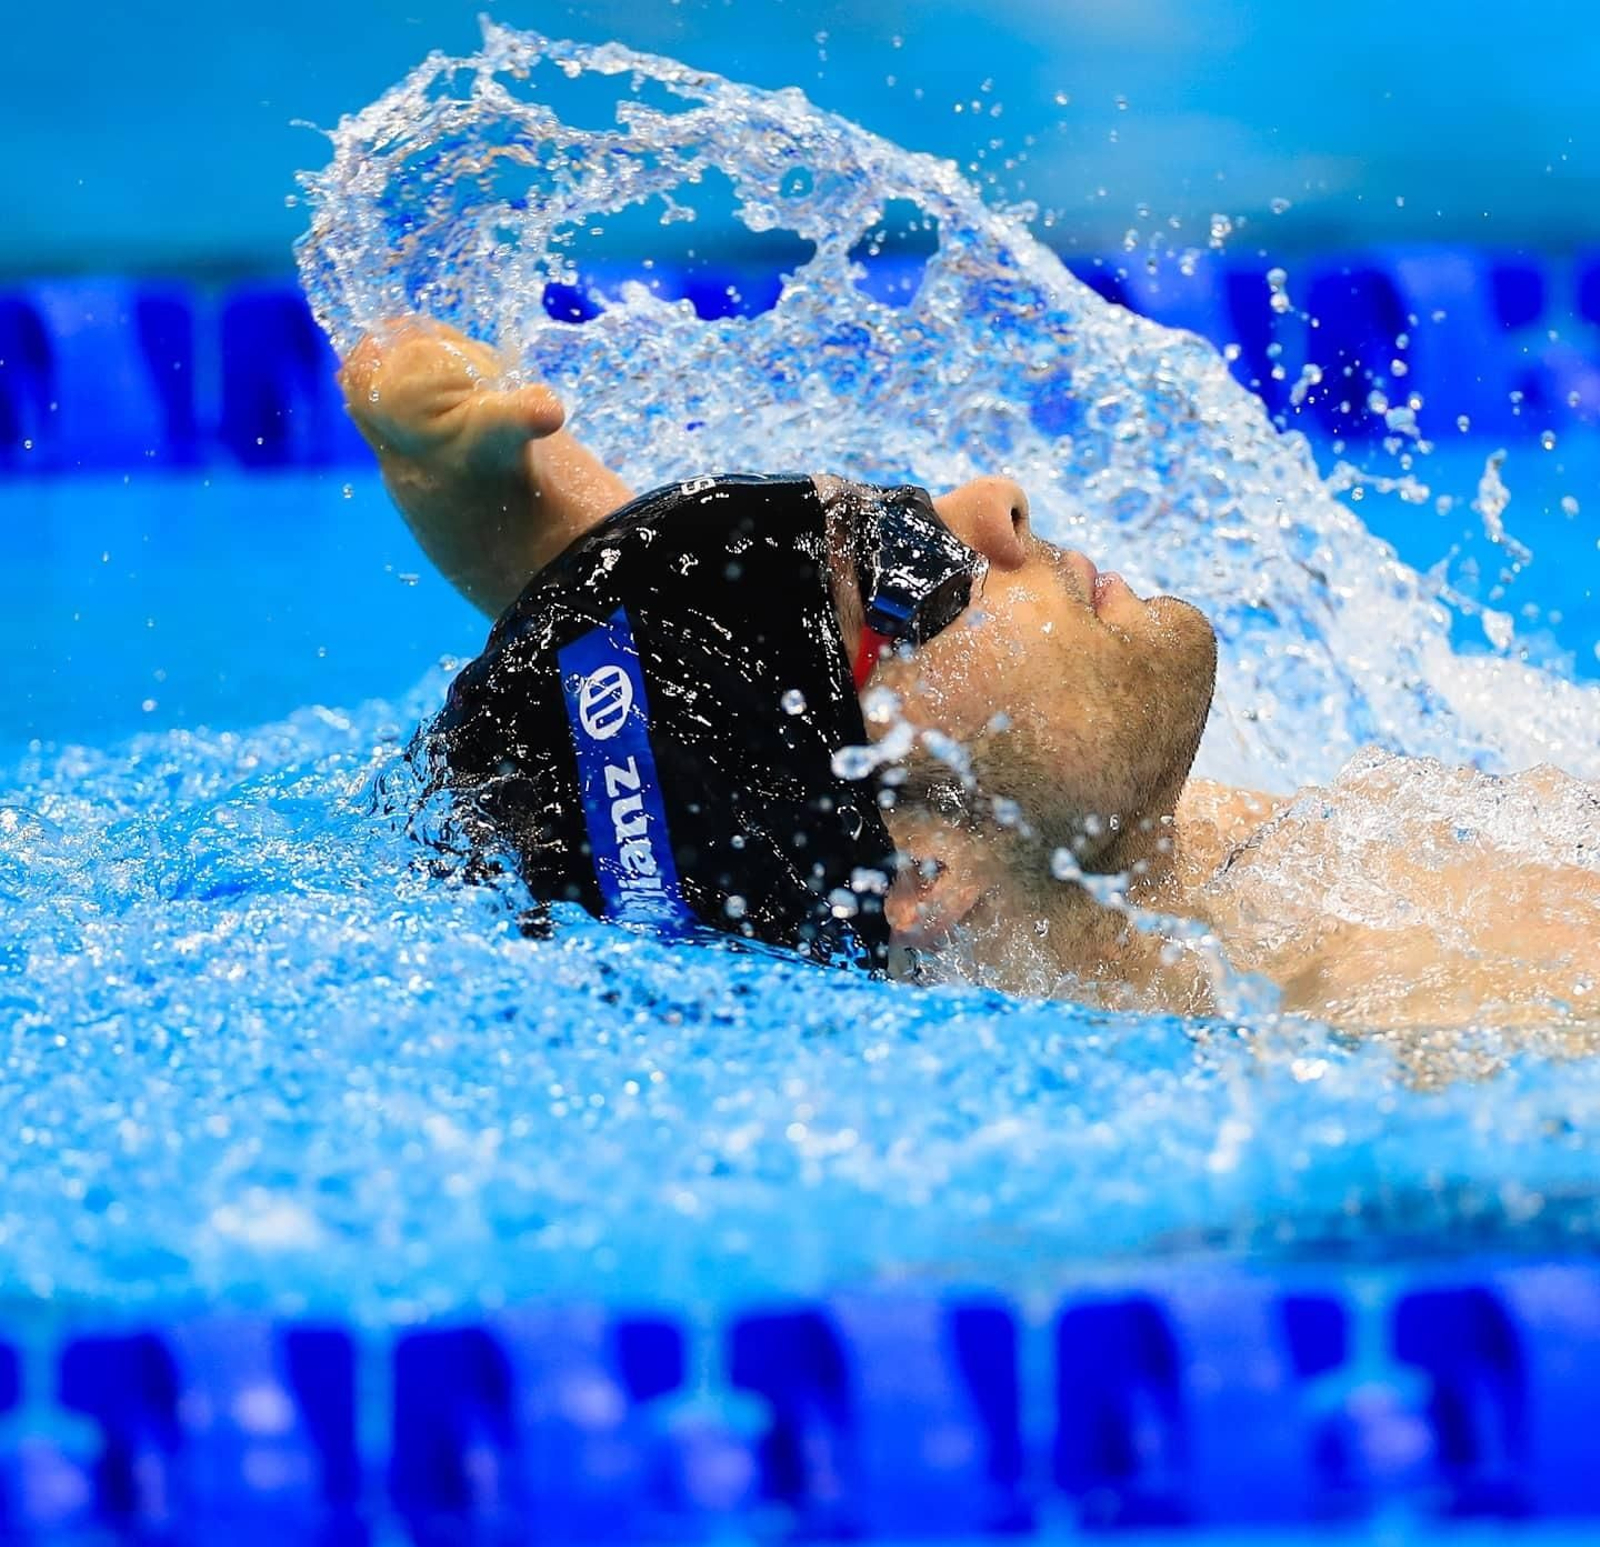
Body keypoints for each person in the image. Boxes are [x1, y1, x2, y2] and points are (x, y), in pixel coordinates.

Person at [340, 318, 1600, 1032]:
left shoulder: (1081, 881)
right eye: (911, 572)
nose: (991, 504)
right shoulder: (1417, 1016)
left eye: (901, 512)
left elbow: (672, 697)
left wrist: (477, 486)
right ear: (919, 877)